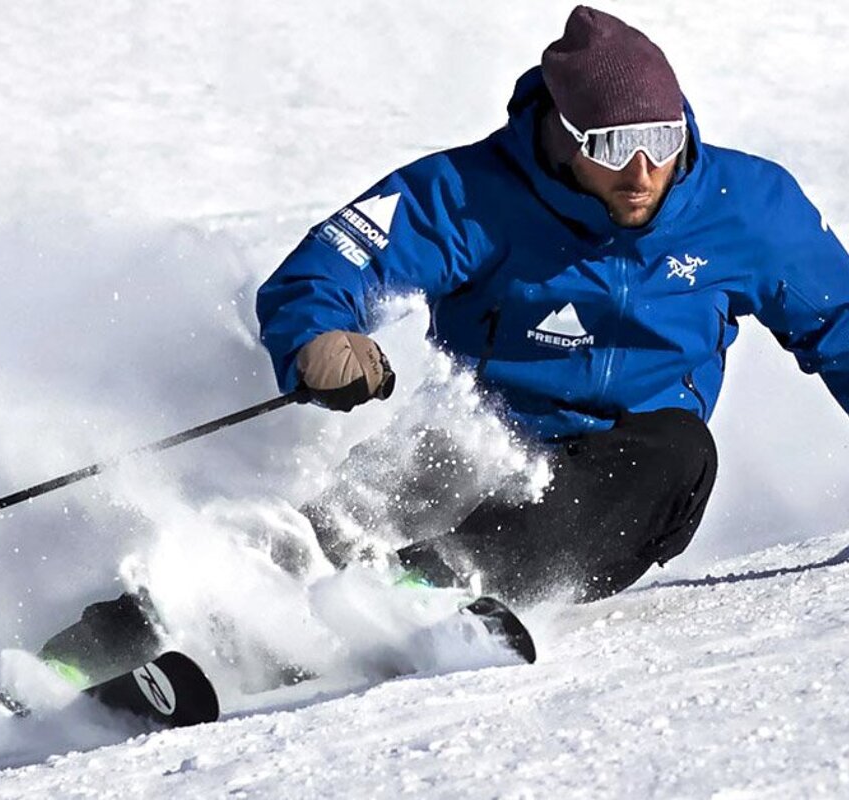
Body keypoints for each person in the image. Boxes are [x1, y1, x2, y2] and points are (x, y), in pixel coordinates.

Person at [256, 6, 849, 604]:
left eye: (660, 141)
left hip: (621, 480)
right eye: (613, 146)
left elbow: (841, 319)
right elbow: (333, 266)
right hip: (475, 445)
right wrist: (318, 338)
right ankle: (233, 599)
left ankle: (430, 591)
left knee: (682, 449)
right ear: (565, 137)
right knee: (320, 539)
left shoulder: (748, 208)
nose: (641, 172)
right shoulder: (469, 193)